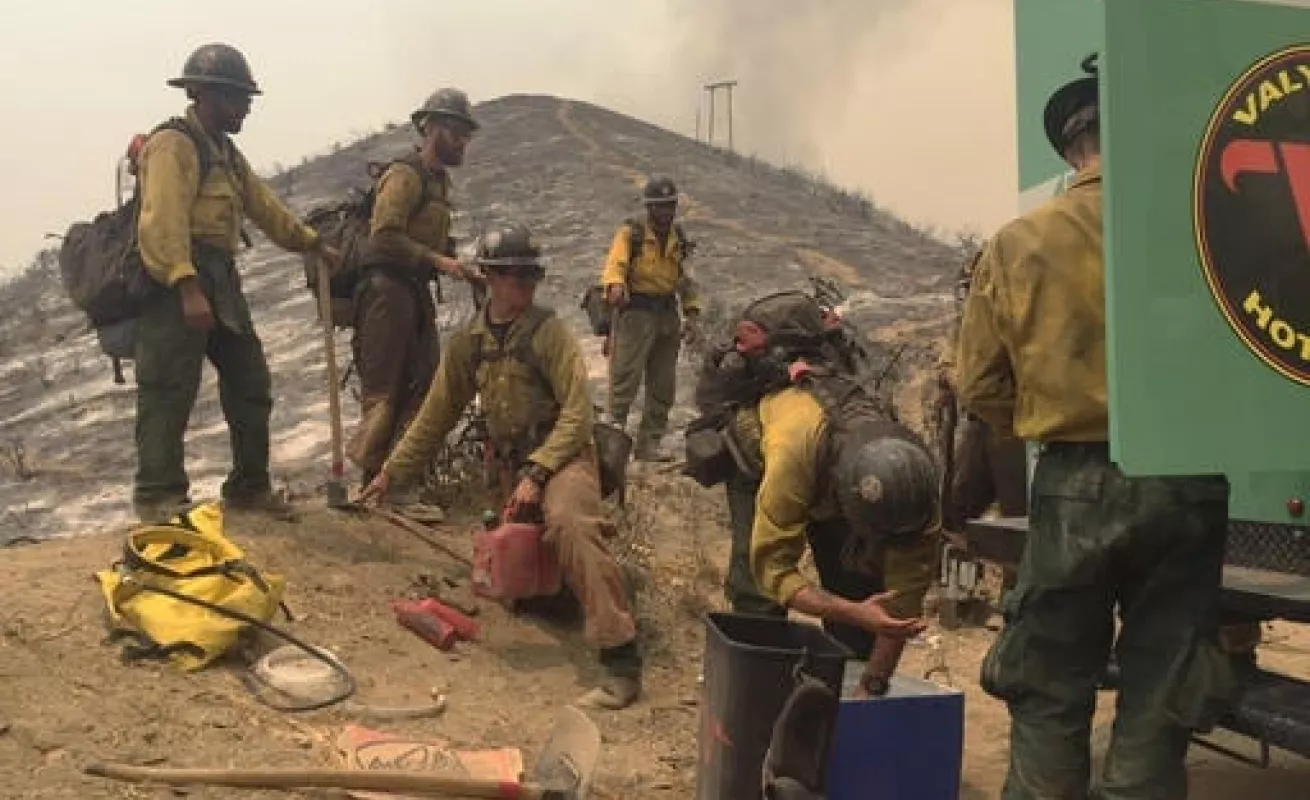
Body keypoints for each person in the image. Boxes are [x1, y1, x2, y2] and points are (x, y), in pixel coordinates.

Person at [956, 55, 1235, 799]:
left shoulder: (1018, 243)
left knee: (1050, 688)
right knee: (1163, 689)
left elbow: (980, 386)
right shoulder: (1202, 230)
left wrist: (1051, 413)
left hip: (1076, 480)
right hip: (1187, 479)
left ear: (1072, 151)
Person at [361, 223, 643, 709]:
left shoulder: (548, 332)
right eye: (514, 276)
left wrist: (538, 474)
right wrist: (390, 473)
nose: (525, 286)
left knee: (570, 524)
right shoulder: (469, 345)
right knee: (515, 576)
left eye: (532, 276)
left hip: (564, 456)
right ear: (490, 278)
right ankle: (574, 593)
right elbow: (435, 416)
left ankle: (621, 657)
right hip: (510, 471)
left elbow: (577, 413)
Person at [133, 43, 340, 523]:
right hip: (175, 278)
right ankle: (159, 498)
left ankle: (249, 487)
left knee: (250, 381)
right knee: (168, 388)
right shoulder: (173, 145)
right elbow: (160, 221)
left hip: (220, 276)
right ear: (204, 94)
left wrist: (311, 242)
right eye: (236, 98)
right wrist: (186, 285)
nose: (246, 107)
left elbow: (263, 206)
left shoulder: (224, 152)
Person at [710, 291, 939, 696]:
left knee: (856, 582)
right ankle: (758, 695)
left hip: (836, 468)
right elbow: (774, 570)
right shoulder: (792, 452)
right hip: (762, 457)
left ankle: (842, 693)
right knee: (759, 598)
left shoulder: (914, 482)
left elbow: (900, 604)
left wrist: (873, 683)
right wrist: (852, 612)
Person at [348, 88, 481, 522]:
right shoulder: (405, 175)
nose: (462, 142)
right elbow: (384, 235)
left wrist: (459, 264)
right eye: (456, 132)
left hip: (413, 290)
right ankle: (374, 484)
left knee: (424, 383)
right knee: (385, 388)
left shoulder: (438, 182)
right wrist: (437, 259)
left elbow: (430, 240)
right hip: (386, 291)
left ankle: (399, 482)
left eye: (465, 134)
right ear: (434, 129)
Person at [600, 176, 702, 460]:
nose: (665, 212)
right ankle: (612, 444)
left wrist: (692, 315)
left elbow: (688, 280)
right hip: (635, 313)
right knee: (624, 381)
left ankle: (649, 447)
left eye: (669, 206)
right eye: (659, 207)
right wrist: (616, 285)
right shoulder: (631, 234)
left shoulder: (678, 238)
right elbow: (615, 264)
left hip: (667, 313)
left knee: (663, 385)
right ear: (649, 208)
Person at [936, 250, 1028, 532]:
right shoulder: (968, 322)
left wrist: (956, 379)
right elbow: (951, 359)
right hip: (980, 425)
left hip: (1012, 428)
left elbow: (978, 378)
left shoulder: (1017, 318)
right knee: (955, 509)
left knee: (1019, 519)